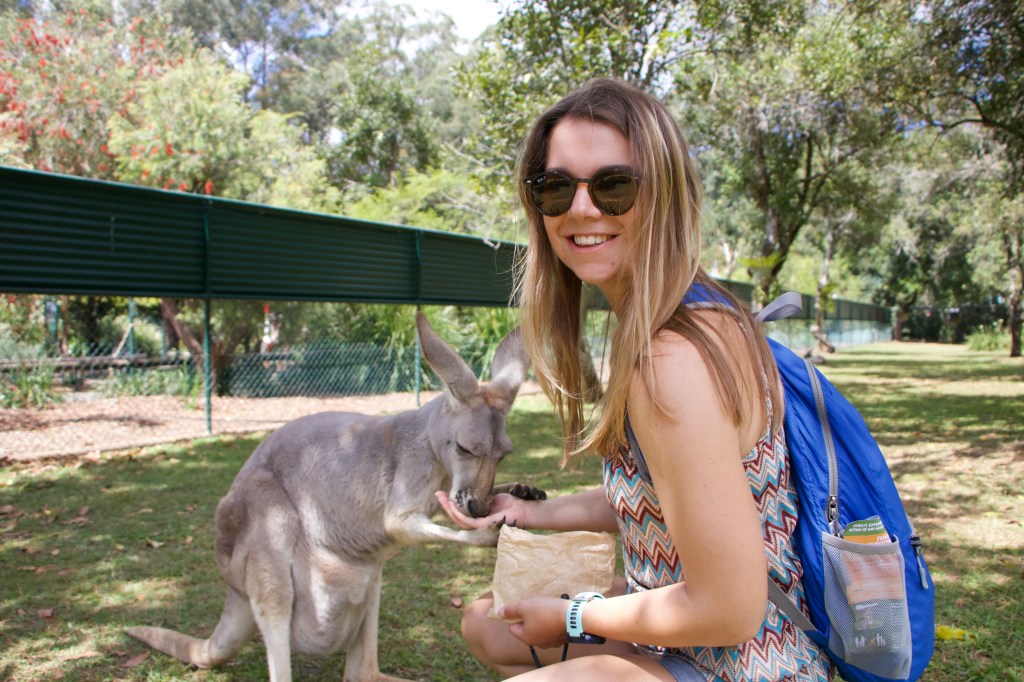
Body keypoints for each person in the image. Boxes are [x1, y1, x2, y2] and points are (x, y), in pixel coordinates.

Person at [435, 78, 832, 682]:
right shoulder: (687, 316)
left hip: (750, 663)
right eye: (556, 187)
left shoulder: (670, 360)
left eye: (614, 185)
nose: (582, 208)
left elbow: (730, 608)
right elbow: (663, 499)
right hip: (699, 639)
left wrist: (574, 616)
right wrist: (527, 513)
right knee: (487, 622)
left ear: (665, 196)